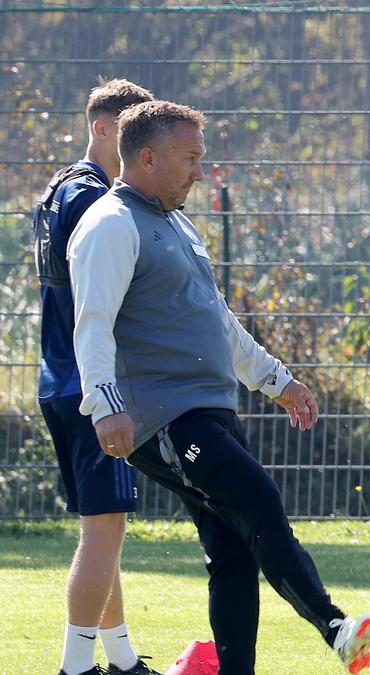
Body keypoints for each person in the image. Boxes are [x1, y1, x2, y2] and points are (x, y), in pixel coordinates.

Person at [67, 100, 370, 674]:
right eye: (190, 158)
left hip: (208, 411)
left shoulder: (175, 221)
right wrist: (105, 406)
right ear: (147, 156)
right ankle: (333, 626)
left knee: (232, 550)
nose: (199, 172)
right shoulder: (109, 225)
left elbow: (217, 318)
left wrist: (275, 379)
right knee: (256, 497)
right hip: (162, 422)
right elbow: (92, 324)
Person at [34, 78, 161, 675]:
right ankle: (76, 668)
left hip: (57, 380)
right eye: (131, 130)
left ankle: (123, 660)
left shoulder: (61, 186)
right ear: (104, 128)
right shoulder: (94, 201)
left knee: (103, 529)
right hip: (90, 384)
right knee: (104, 530)